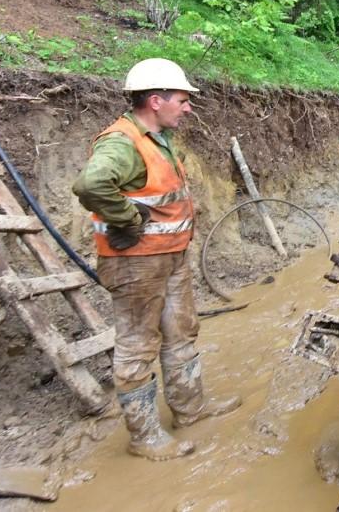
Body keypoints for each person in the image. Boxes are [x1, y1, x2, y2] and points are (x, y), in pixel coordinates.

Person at [73, 58, 240, 460]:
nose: (188, 108)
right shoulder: (121, 142)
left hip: (169, 258)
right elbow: (91, 184)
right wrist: (128, 219)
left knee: (182, 332)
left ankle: (190, 410)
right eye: (182, 100)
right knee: (137, 346)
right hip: (135, 263)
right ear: (155, 100)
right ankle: (145, 438)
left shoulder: (156, 139)